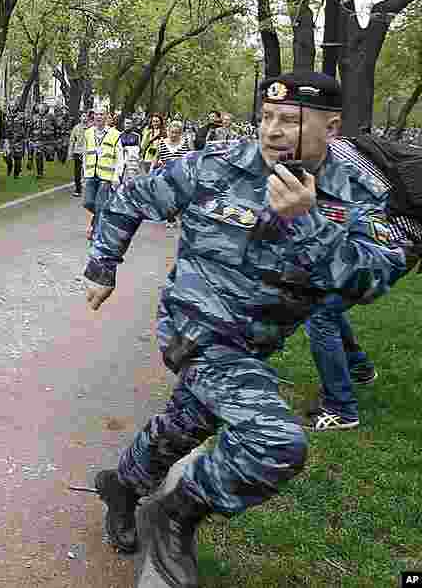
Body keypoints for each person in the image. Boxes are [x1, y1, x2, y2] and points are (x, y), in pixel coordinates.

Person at [82, 71, 404, 587]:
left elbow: (370, 280)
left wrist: (308, 222)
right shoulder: (217, 165)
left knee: (188, 423)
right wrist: (103, 266)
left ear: (333, 127)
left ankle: (122, 486)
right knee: (274, 442)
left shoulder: (355, 192)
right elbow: (130, 197)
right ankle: (174, 516)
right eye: (267, 118)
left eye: (291, 120)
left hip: (257, 342)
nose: (273, 131)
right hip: (197, 328)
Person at [302, 134, 422, 430]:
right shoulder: (339, 148)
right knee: (323, 301)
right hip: (395, 239)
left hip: (390, 245)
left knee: (321, 311)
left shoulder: (335, 162)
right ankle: (359, 368)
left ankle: (341, 409)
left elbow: (356, 217)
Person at [82, 110, 123, 241]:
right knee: (88, 202)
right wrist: (84, 171)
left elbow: (120, 157)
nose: (99, 117)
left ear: (106, 117)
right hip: (90, 173)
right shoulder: (88, 133)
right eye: (97, 114)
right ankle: (106, 216)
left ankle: (96, 230)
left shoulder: (115, 134)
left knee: (100, 204)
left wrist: (117, 176)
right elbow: (85, 153)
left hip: (106, 175)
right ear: (93, 116)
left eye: (102, 114)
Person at [69, 113, 86, 197]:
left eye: (86, 116)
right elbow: (72, 140)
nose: (85, 118)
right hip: (78, 152)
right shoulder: (76, 128)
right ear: (80, 117)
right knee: (77, 172)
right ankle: (78, 189)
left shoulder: (91, 128)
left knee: (87, 171)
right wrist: (70, 152)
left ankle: (89, 188)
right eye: (83, 116)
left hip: (88, 153)